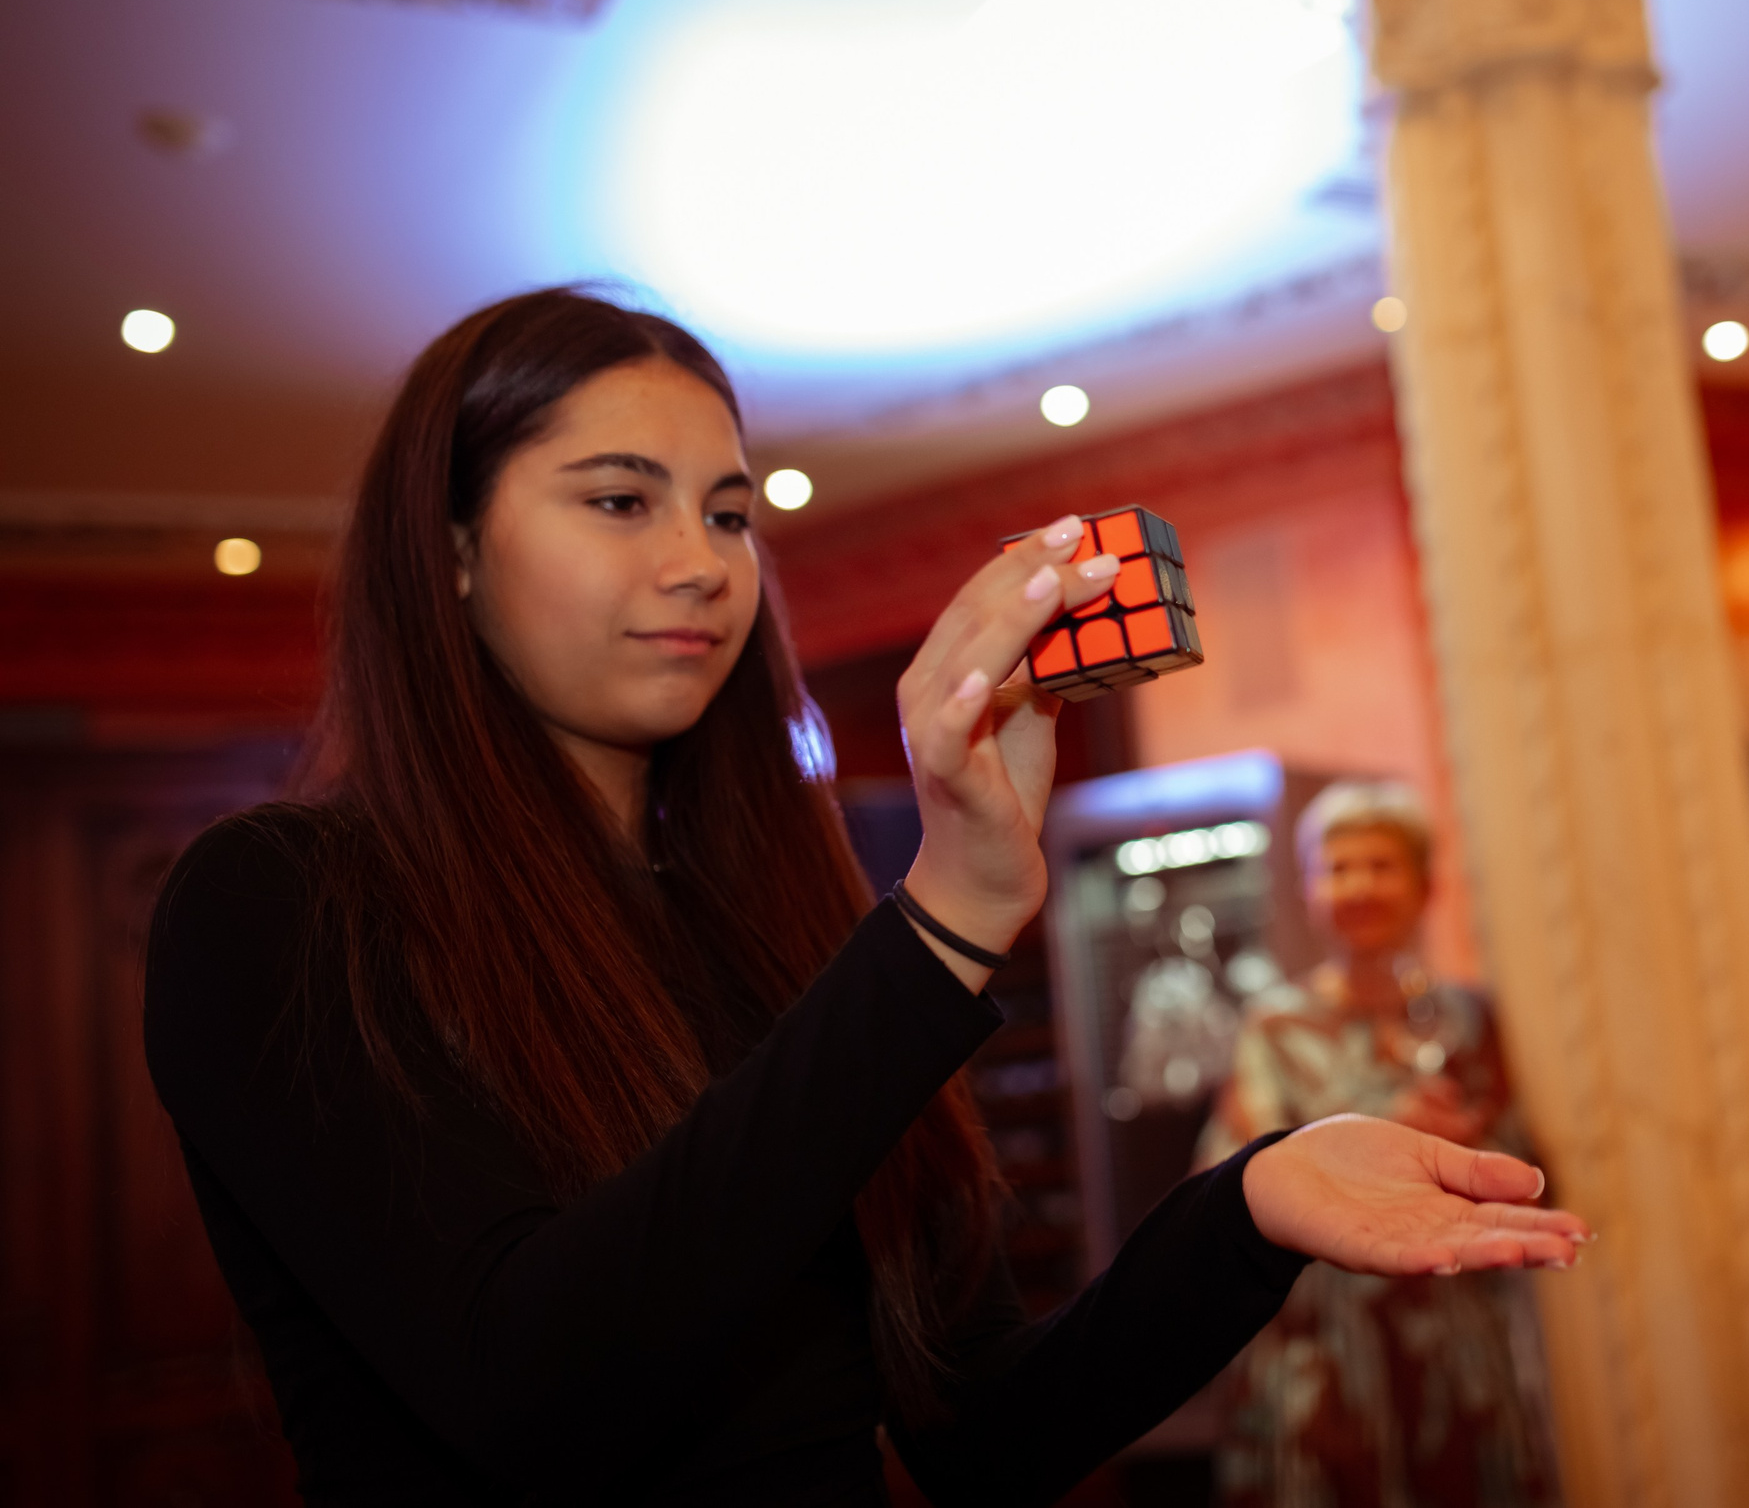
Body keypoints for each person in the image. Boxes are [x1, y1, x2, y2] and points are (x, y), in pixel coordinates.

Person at [142, 290, 1587, 1508]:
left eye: (729, 509)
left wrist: (1251, 1205)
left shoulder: (766, 928)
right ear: (451, 549)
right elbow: (534, 1387)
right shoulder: (282, 903)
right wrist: (942, 920)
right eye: (618, 498)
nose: (700, 560)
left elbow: (983, 1430)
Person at [1199, 780, 1557, 1508]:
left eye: (1379, 864)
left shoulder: (1466, 1016)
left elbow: (1535, 1168)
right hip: (1323, 1350)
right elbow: (1224, 1181)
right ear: (1308, 888)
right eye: (1337, 866)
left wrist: (1468, 1150)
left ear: (1425, 884)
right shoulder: (1275, 1026)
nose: (1357, 884)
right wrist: (1385, 1123)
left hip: (1455, 1346)